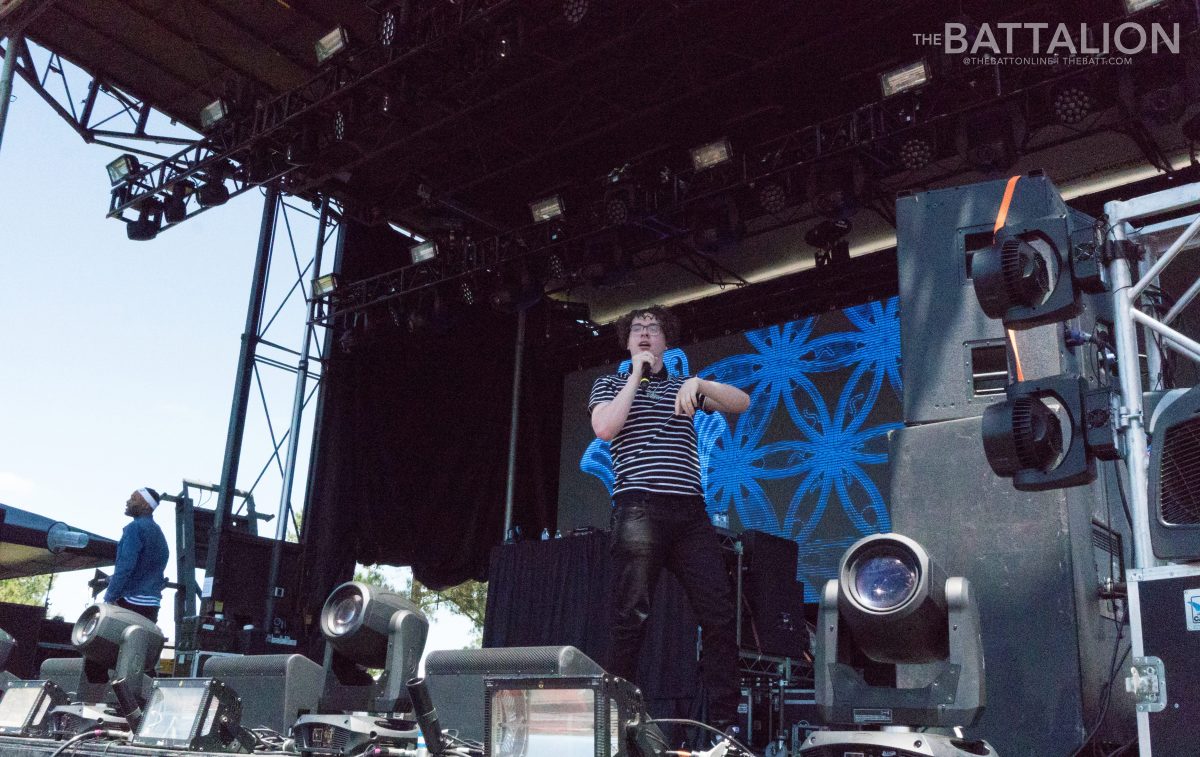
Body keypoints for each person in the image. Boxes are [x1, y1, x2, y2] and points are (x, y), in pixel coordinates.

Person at [588, 305, 750, 735]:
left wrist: (698, 382)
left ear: (665, 341)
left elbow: (742, 402)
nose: (644, 333)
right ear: (627, 343)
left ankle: (724, 724)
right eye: (637, 329)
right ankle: (615, 719)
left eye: (653, 328)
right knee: (631, 616)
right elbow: (605, 428)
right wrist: (634, 377)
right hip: (638, 506)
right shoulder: (608, 384)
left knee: (717, 614)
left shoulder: (684, 386)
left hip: (689, 513)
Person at [104, 487, 169, 623]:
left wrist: (109, 597)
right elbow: (148, 569)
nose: (128, 502)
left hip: (131, 602)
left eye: (133, 499)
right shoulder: (158, 532)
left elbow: (125, 566)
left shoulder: (135, 528)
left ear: (146, 505)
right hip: (152, 605)